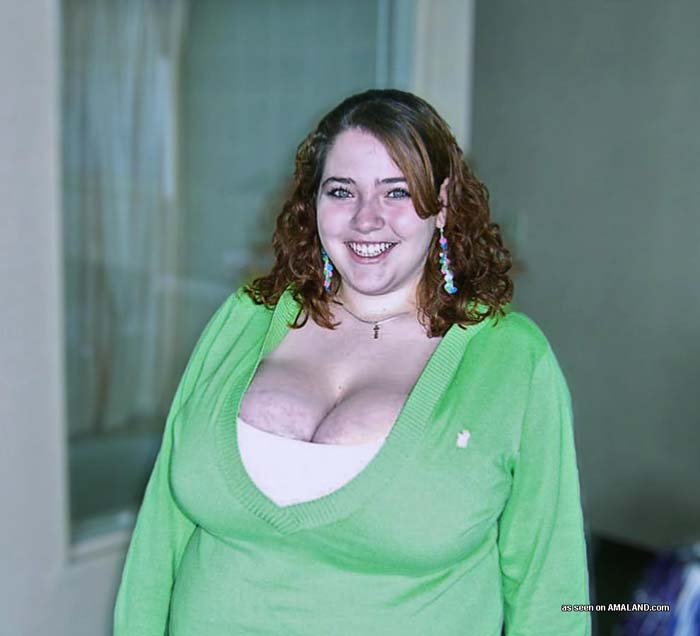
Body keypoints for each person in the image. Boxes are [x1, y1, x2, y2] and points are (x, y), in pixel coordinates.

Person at [113, 89, 591, 635]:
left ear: (442, 203)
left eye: (396, 191)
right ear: (313, 201)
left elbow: (550, 585)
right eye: (342, 191)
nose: (367, 219)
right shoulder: (246, 317)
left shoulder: (512, 359)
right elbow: (161, 533)